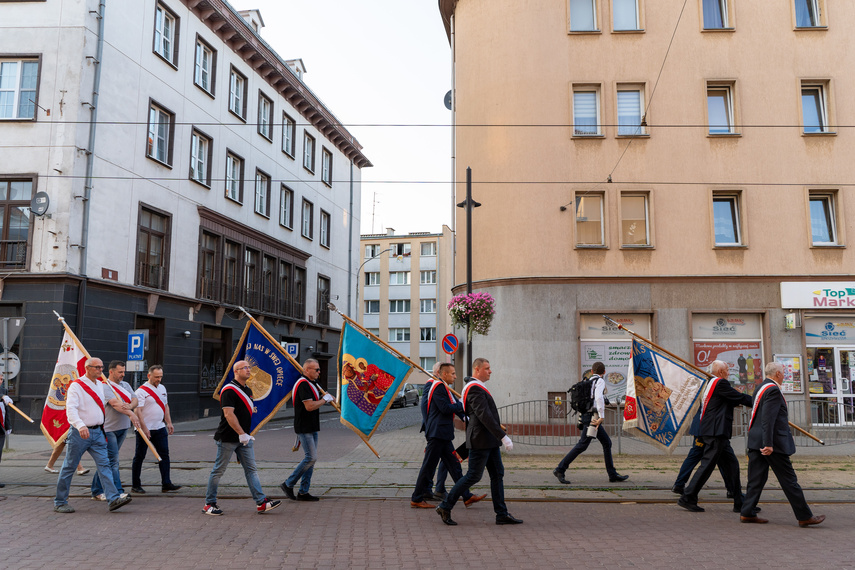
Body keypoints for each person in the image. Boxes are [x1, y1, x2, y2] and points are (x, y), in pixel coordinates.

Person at [436, 358, 522, 526]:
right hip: (481, 440)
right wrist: (502, 436)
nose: (490, 371)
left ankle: (501, 514)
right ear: (477, 369)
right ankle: (445, 506)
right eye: (487, 368)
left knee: (497, 474)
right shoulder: (474, 388)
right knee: (473, 476)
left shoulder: (476, 387)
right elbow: (484, 415)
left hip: (487, 439)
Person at [740, 362, 825, 527]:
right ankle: (804, 516)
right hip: (772, 444)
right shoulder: (772, 390)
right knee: (789, 479)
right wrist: (768, 443)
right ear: (778, 374)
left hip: (756, 440)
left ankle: (747, 512)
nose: (784, 375)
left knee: (756, 479)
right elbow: (767, 418)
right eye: (783, 372)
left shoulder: (760, 387)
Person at [53, 358, 134, 513]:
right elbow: (70, 409)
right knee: (69, 466)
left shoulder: (99, 385)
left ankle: (113, 498)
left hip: (97, 432)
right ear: (87, 368)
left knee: (105, 465)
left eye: (101, 367)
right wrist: (80, 425)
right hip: (80, 432)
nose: (100, 370)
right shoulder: (77, 385)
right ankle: (60, 501)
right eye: (97, 367)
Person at [203, 360, 281, 516]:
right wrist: (241, 433)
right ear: (236, 371)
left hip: (244, 439)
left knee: (251, 470)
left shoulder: (248, 390)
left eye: (248, 367)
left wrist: (245, 435)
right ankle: (209, 504)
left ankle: (261, 502)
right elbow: (228, 414)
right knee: (218, 471)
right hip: (228, 438)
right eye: (244, 368)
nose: (248, 369)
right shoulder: (229, 390)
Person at [678, 360, 752, 513]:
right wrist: (759, 402)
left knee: (732, 466)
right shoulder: (720, 384)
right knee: (707, 466)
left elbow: (728, 401)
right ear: (720, 372)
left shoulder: (712, 383)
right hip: (715, 432)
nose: (729, 372)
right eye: (727, 369)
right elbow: (738, 397)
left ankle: (739, 501)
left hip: (716, 432)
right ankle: (687, 497)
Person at [411, 362, 486, 508]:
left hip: (443, 435)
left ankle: (467, 496)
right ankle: (417, 498)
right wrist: (464, 404)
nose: (456, 376)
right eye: (452, 374)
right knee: (428, 467)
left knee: (454, 466)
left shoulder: (443, 386)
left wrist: (463, 412)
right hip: (438, 434)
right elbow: (445, 408)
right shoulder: (438, 386)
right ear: (443, 374)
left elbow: (450, 406)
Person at [553, 362, 629, 485]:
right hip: (593, 418)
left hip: (587, 416)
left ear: (592, 371)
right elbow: (598, 398)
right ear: (604, 372)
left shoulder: (587, 382)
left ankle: (612, 474)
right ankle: (560, 469)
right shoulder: (599, 381)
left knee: (606, 443)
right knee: (583, 445)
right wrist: (601, 417)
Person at [280, 359, 334, 502]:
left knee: (311, 460)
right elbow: (309, 406)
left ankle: (303, 491)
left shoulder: (314, 383)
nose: (319, 372)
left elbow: (324, 396)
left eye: (319, 369)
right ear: (306, 370)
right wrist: (324, 401)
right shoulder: (303, 384)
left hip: (312, 425)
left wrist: (330, 398)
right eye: (316, 369)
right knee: (311, 458)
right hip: (303, 426)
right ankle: (288, 484)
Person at [90, 361, 139, 500]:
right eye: (120, 372)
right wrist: (131, 413)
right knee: (113, 460)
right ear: (111, 372)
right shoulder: (105, 387)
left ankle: (97, 490)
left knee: (106, 461)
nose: (123, 375)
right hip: (109, 429)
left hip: (123, 428)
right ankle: (117, 491)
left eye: (124, 372)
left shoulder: (126, 385)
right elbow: (115, 404)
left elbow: (135, 399)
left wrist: (130, 406)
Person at [131, 365, 181, 494]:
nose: (159, 379)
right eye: (156, 377)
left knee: (164, 455)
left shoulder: (162, 388)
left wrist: (168, 422)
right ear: (149, 376)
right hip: (145, 429)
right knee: (140, 456)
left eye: (160, 376)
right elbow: (138, 411)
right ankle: (136, 484)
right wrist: (144, 428)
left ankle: (166, 483)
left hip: (159, 427)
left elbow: (165, 406)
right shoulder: (141, 391)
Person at [672, 407, 738, 498]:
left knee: (694, 457)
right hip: (711, 429)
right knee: (723, 461)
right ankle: (732, 489)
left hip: (701, 427)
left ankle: (679, 484)